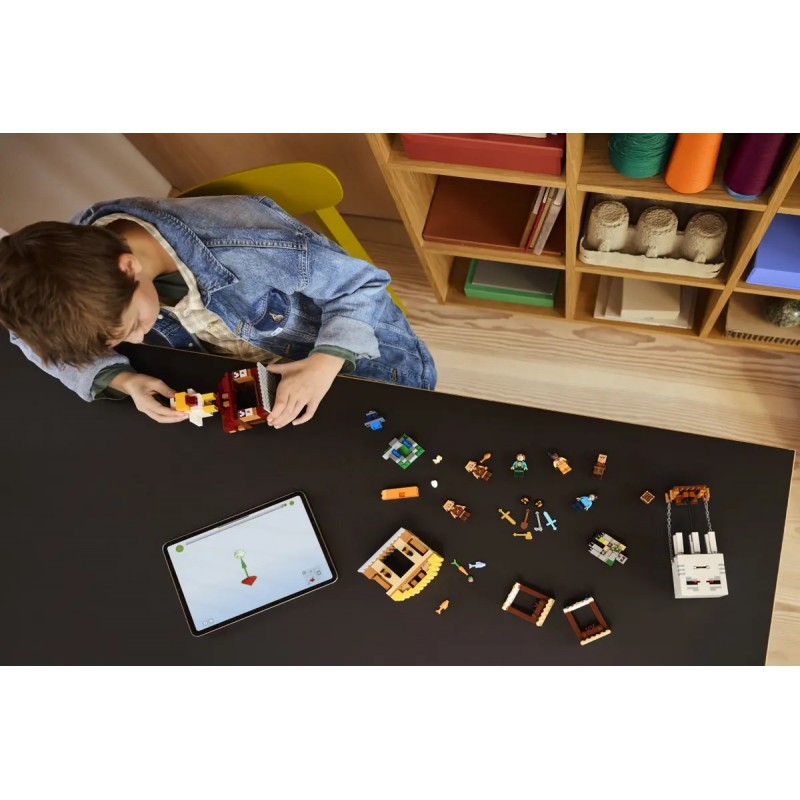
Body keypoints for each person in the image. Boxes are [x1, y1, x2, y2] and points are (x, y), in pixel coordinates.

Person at [0, 195, 437, 428]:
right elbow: (27, 336)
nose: (137, 341)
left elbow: (362, 284)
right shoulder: (61, 264)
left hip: (369, 365)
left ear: (128, 267)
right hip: (242, 373)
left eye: (132, 325)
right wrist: (122, 378)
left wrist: (326, 362)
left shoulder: (244, 244)